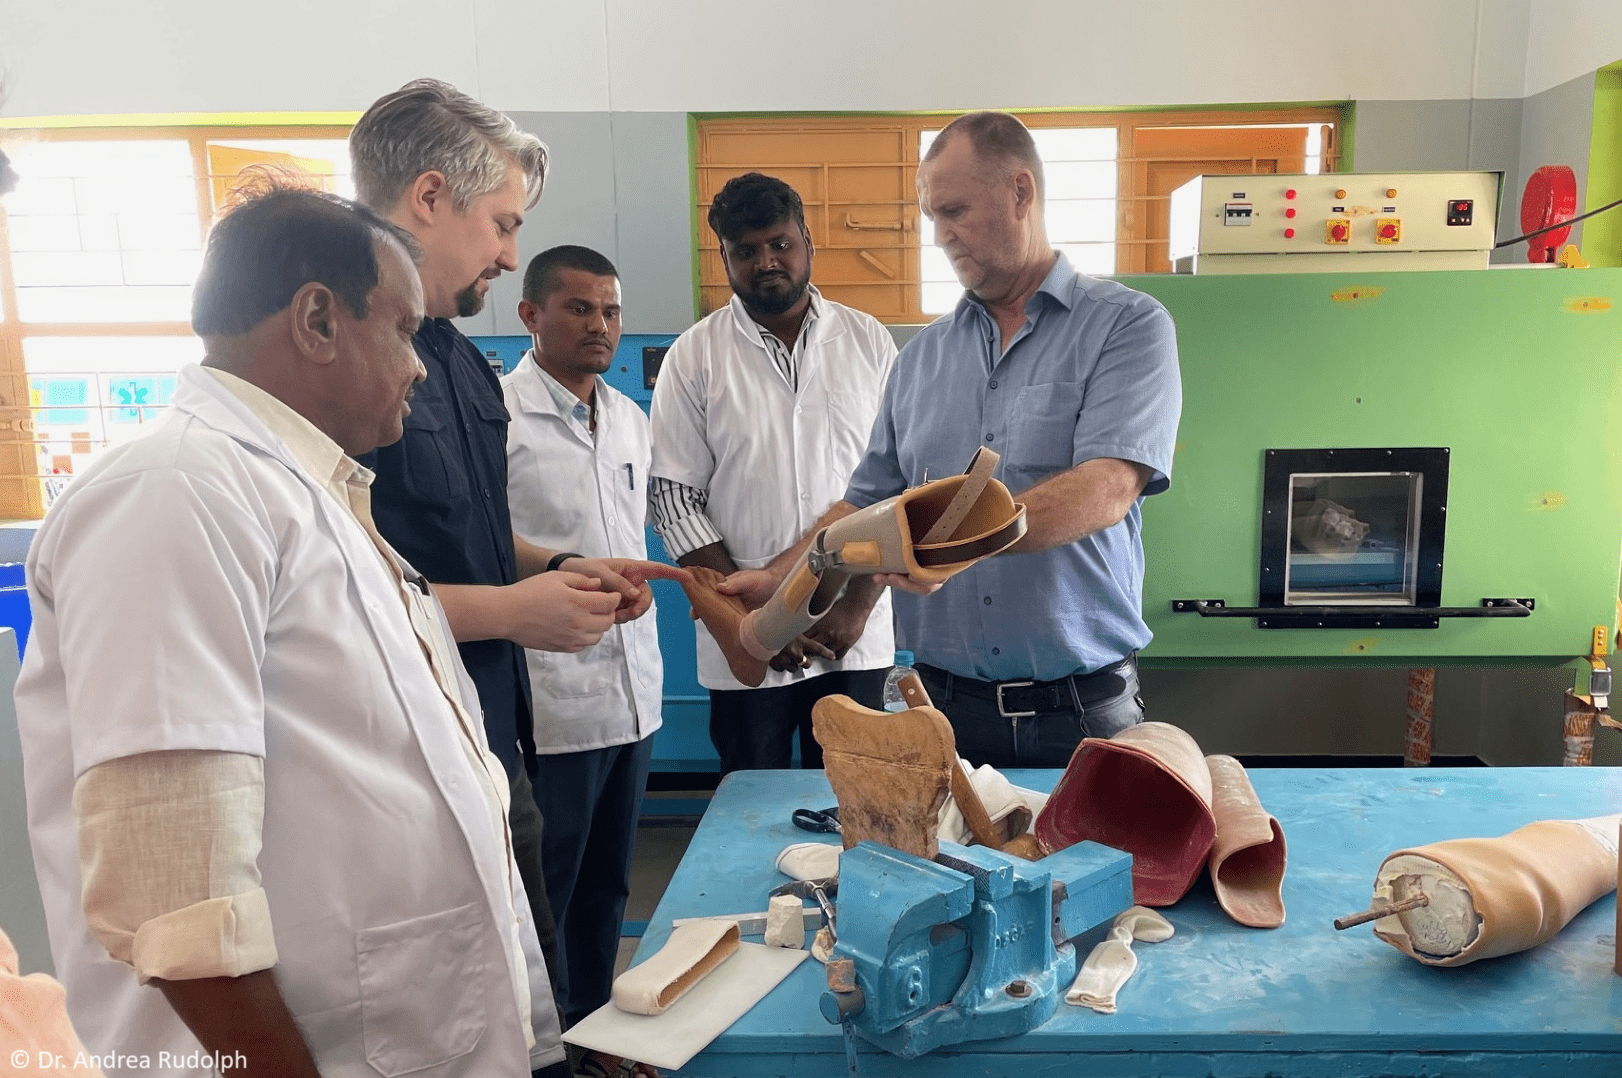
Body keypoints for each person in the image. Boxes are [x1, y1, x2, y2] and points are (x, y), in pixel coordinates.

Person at [15, 183, 568, 1077]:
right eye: (403, 330)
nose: (421, 366)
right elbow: (177, 900)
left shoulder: (309, 493)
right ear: (318, 322)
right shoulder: (178, 493)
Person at [348, 80, 682, 1014]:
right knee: (476, 979)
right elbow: (340, 583)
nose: (507, 252)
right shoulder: (347, 360)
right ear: (428, 197)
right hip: (403, 745)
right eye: (501, 224)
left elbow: (468, 535)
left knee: (538, 950)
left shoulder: (450, 356)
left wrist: (558, 567)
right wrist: (509, 611)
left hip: (493, 727)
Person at [727, 112, 1183, 771]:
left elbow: (1108, 486)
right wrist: (781, 576)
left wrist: (953, 541)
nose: (940, 236)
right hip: (936, 708)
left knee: (1092, 875)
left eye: (955, 211)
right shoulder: (920, 358)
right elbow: (866, 503)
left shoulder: (1127, 326)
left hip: (1081, 712)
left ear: (1021, 192)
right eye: (932, 218)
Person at [649, 173, 897, 775]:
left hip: (853, 633)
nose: (766, 262)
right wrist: (755, 625)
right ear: (725, 257)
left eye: (780, 244)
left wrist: (858, 604)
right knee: (749, 798)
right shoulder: (695, 354)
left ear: (807, 241)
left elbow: (902, 483)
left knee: (854, 798)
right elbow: (675, 498)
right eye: (747, 251)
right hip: (746, 637)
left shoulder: (869, 341)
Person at [501, 246, 659, 1044]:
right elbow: (490, 546)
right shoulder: (500, 420)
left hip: (634, 690)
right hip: (553, 697)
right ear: (530, 316)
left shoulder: (630, 419)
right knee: (548, 885)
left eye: (611, 311)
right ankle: (546, 1043)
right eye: (579, 309)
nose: (601, 326)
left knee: (610, 887)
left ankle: (599, 1031)